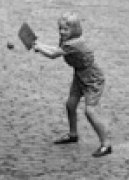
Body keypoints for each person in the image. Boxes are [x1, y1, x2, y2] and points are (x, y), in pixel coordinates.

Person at [33, 12, 112, 157]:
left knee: (90, 111)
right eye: (60, 29)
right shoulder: (67, 40)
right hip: (80, 75)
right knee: (70, 105)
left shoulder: (74, 43)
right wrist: (39, 44)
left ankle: (106, 144)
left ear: (74, 29)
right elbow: (56, 50)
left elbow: (53, 55)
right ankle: (73, 134)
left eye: (65, 29)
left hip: (92, 78)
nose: (62, 32)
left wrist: (39, 48)